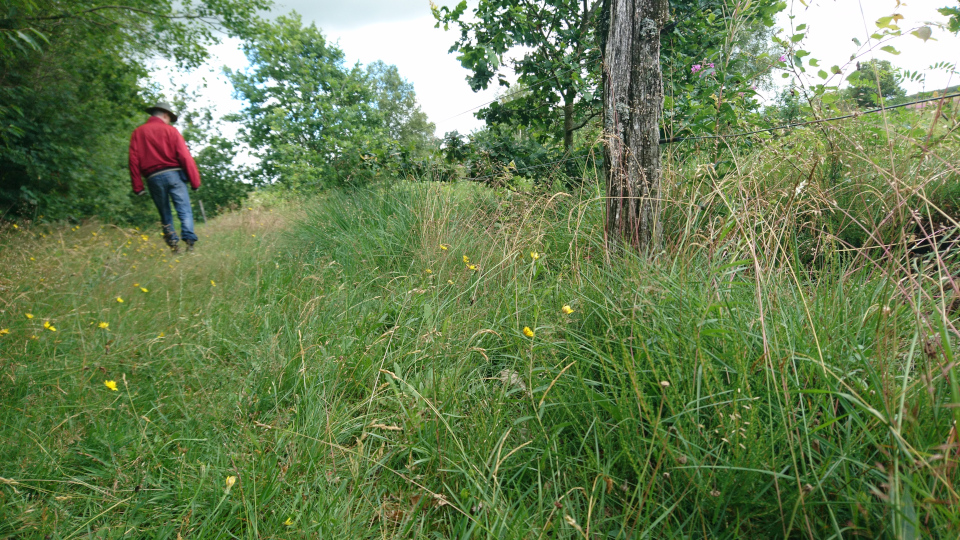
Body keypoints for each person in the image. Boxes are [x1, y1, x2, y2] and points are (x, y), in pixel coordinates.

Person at [129, 101, 201, 253]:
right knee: (184, 209)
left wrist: (138, 187)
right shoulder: (171, 131)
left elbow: (133, 160)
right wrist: (195, 181)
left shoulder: (138, 133)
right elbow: (185, 157)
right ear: (165, 115)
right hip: (174, 175)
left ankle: (174, 246)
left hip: (153, 177)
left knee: (164, 212)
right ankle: (189, 244)